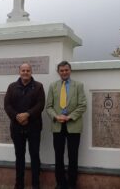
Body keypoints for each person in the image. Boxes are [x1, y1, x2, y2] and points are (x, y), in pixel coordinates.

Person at [46, 61, 87, 189]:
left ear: (70, 71)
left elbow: (82, 105)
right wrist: (56, 116)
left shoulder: (78, 85)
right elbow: (49, 106)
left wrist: (70, 117)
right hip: (57, 125)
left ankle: (71, 184)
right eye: (62, 70)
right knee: (58, 156)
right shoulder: (53, 86)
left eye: (66, 70)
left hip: (73, 125)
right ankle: (60, 183)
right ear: (58, 72)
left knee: (73, 156)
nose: (64, 72)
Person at [4, 63, 45, 189]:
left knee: (34, 155)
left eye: (28, 70)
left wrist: (27, 115)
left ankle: (36, 184)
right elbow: (7, 105)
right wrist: (17, 116)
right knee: (19, 156)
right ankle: (19, 184)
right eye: (23, 70)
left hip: (33, 126)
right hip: (17, 127)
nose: (25, 72)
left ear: (31, 72)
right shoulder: (12, 87)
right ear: (19, 72)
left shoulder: (38, 87)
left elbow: (40, 104)